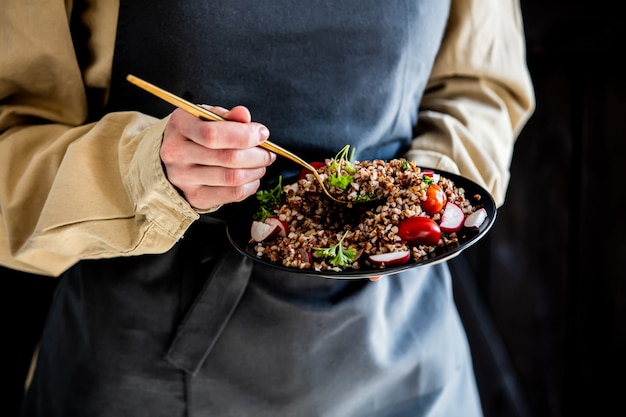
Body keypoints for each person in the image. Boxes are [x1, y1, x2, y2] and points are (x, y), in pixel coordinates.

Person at [1, 0, 535, 415]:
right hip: (149, 366)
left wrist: (411, 200)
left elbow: (479, 84)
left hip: (407, 355)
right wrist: (144, 170)